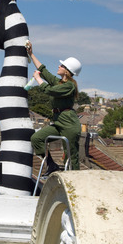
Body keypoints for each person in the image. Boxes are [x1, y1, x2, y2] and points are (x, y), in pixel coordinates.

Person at [26, 41, 82, 175]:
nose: (59, 65)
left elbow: (49, 90)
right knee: (36, 139)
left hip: (69, 124)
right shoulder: (59, 82)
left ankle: (76, 182)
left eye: (62, 65)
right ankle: (51, 165)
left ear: (67, 71)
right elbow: (44, 71)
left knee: (71, 155)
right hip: (58, 122)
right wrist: (31, 53)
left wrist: (37, 78)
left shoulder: (69, 86)